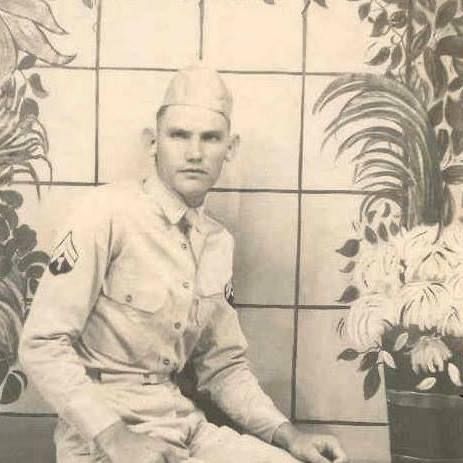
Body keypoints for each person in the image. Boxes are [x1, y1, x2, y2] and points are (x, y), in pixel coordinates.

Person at [19, 65, 349, 463]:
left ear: (230, 148)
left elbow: (223, 367)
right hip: (101, 438)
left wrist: (289, 436)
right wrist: (116, 438)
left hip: (184, 427)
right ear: (153, 141)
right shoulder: (104, 214)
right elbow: (41, 345)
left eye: (210, 138)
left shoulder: (218, 243)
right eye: (179, 135)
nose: (195, 153)